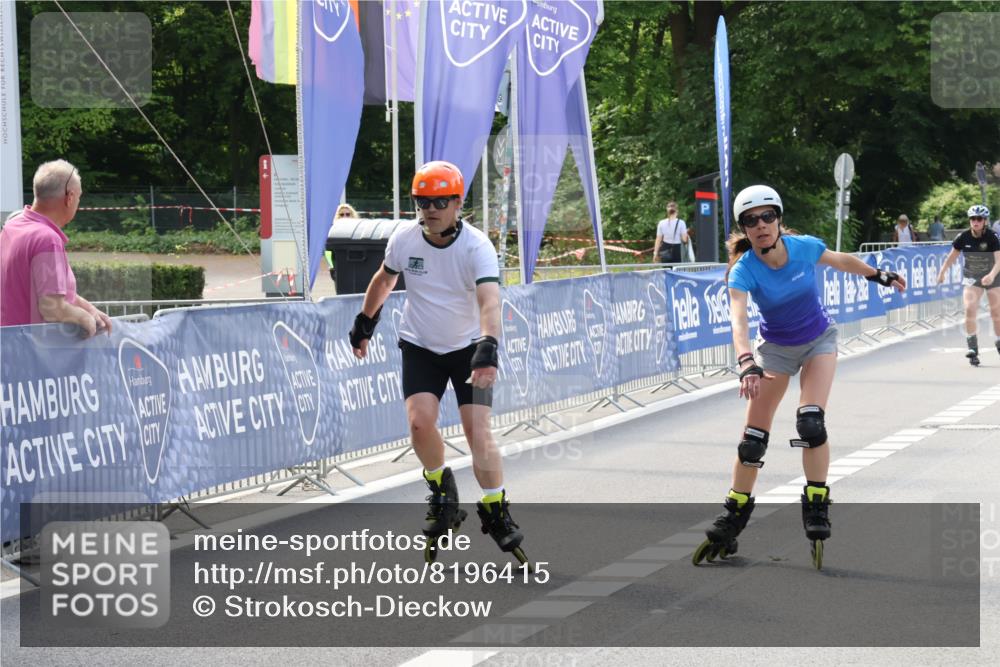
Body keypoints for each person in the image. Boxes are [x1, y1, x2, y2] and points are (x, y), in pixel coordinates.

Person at [692, 184, 906, 569]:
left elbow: (842, 261)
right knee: (752, 442)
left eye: (767, 217)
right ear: (744, 228)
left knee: (810, 423)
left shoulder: (803, 246)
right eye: (751, 221)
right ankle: (734, 514)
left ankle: (817, 504)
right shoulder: (743, 271)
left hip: (818, 342)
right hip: (774, 351)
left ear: (778, 219)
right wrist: (745, 361)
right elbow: (737, 319)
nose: (761, 226)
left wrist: (880, 275)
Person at [348, 161, 528, 565]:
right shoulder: (405, 239)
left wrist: (488, 346)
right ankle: (441, 488)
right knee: (419, 422)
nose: (430, 209)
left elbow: (489, 301)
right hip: (422, 345)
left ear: (458, 202)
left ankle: (495, 507)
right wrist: (365, 321)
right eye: (422, 201)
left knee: (477, 432)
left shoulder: (476, 246)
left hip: (469, 347)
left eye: (439, 201)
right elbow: (384, 278)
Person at [0, 159, 113, 336]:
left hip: (9, 347)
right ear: (70, 197)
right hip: (32, 352)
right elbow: (51, 308)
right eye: (79, 197)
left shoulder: (13, 227)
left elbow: (54, 291)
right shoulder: (47, 239)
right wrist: (85, 319)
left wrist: (89, 309)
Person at [936, 204, 1000, 366]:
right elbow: (952, 256)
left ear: (985, 221)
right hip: (972, 277)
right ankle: (973, 348)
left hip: (993, 275)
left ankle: (999, 341)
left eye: (979, 219)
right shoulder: (962, 237)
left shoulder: (993, 237)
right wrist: (942, 271)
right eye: (973, 219)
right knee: (970, 309)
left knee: (996, 312)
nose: (976, 222)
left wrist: (992, 275)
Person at [326, 203, 359, 281]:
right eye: (341, 214)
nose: (345, 216)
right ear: (337, 216)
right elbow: (328, 253)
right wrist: (331, 267)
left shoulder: (358, 231)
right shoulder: (333, 231)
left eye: (348, 214)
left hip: (356, 266)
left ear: (352, 215)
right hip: (340, 268)